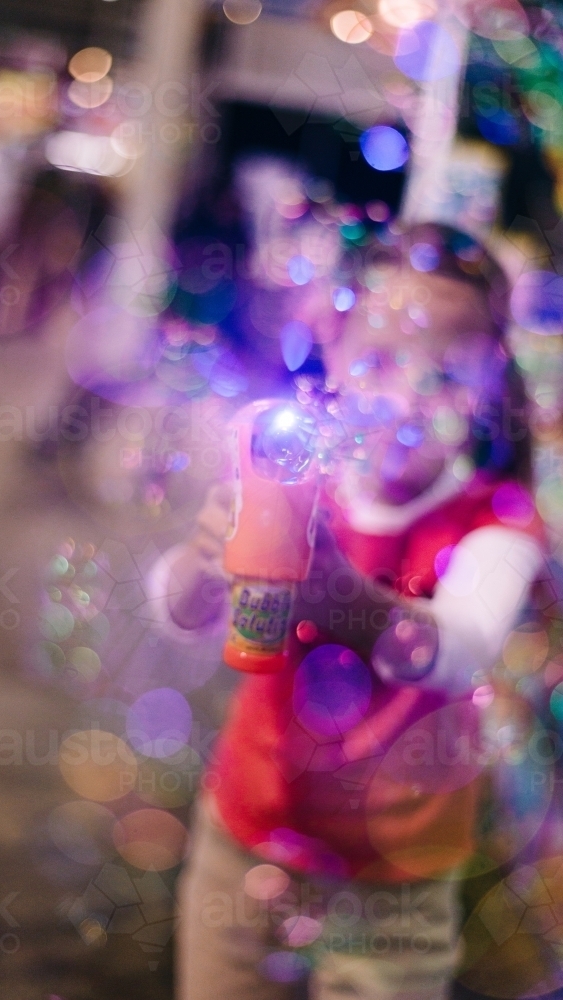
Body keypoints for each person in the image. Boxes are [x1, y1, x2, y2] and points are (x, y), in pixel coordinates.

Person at [156, 222, 548, 1000]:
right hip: (247, 832)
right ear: (330, 351)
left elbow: (458, 649)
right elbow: (178, 612)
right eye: (376, 362)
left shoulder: (497, 523)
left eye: (443, 377)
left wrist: (332, 588)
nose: (404, 398)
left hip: (394, 879)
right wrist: (203, 564)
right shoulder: (294, 478)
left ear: (488, 383)